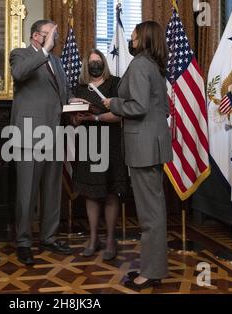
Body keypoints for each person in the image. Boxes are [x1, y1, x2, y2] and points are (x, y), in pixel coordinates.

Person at [9, 20, 85, 265]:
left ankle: (49, 237)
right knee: (26, 192)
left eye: (56, 33)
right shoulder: (19, 54)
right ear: (36, 36)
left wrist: (74, 104)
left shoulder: (57, 62)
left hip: (54, 133)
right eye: (51, 34)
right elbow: (20, 74)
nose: (56, 38)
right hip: (29, 134)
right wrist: (44, 50)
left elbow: (62, 94)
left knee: (52, 190)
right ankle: (23, 242)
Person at [103, 21, 173, 290]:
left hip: (144, 148)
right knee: (152, 211)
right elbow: (163, 109)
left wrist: (114, 103)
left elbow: (140, 106)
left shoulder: (142, 64)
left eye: (133, 36)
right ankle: (153, 268)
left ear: (143, 38)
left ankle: (152, 272)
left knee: (149, 215)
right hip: (150, 145)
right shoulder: (155, 66)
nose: (131, 40)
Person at [70, 49, 129, 261]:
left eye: (98, 61)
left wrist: (95, 118)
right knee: (91, 193)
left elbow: (121, 114)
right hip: (88, 144)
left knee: (112, 192)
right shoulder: (79, 88)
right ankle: (93, 239)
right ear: (86, 66)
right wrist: (76, 117)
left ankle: (111, 239)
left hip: (112, 143)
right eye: (91, 62)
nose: (95, 65)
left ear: (104, 63)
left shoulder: (116, 83)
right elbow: (74, 121)